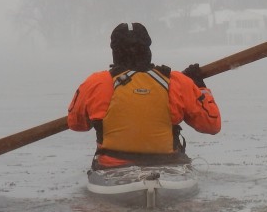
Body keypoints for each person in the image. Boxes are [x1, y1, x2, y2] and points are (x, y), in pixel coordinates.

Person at [67, 22, 221, 169]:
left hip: (111, 167)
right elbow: (211, 125)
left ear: (115, 52)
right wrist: (199, 87)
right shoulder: (177, 82)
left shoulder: (95, 83)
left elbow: (76, 124)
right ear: (147, 50)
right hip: (167, 164)